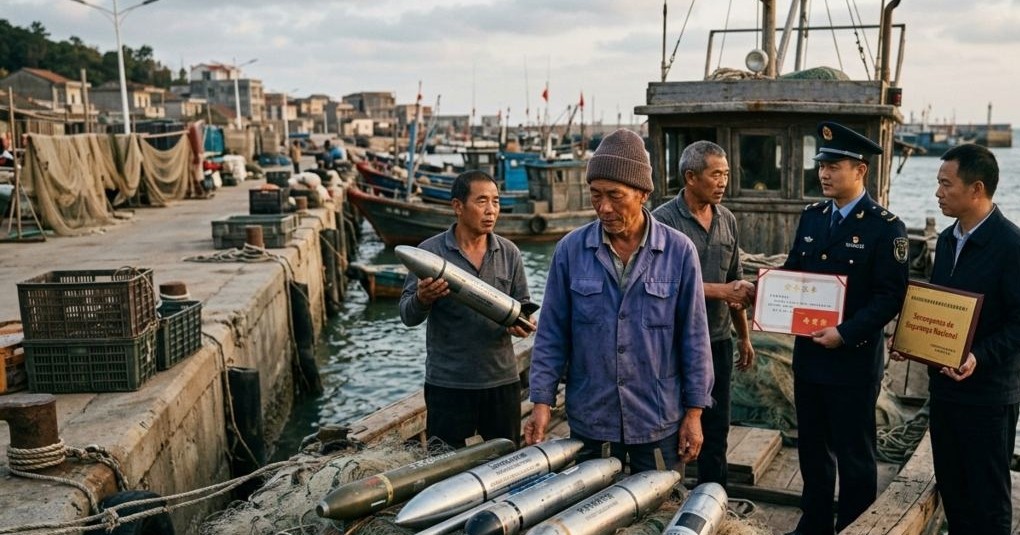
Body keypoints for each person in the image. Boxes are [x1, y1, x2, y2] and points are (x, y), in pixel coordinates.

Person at [524, 128, 714, 473]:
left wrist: (695, 414)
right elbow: (551, 334)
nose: (604, 207)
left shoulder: (679, 251)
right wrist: (541, 402)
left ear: (642, 193)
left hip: (657, 418)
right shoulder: (570, 251)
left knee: (657, 514)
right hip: (592, 418)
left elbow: (695, 340)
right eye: (596, 195)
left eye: (615, 195)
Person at [780, 122, 909, 535]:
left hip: (852, 359)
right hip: (810, 357)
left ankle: (855, 525)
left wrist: (847, 333)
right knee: (812, 448)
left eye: (834, 166)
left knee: (855, 453)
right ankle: (814, 522)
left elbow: (890, 297)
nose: (824, 174)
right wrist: (764, 293)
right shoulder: (813, 217)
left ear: (860, 170)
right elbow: (793, 274)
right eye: (822, 165)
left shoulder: (885, 227)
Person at [891, 144, 1020, 534]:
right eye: (937, 183)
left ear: (976, 189)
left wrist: (978, 357)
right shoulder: (947, 240)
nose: (937, 192)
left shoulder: (1011, 246)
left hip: (988, 397)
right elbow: (940, 309)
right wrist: (910, 340)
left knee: (989, 500)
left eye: (946, 184)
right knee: (954, 490)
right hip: (945, 391)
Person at [399, 170, 535, 448]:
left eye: (496, 202)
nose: (491, 210)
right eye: (482, 201)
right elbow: (407, 316)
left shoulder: (509, 253)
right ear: (458, 207)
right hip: (448, 385)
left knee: (505, 462)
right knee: (444, 467)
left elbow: (524, 312)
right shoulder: (430, 253)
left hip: (501, 382)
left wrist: (521, 325)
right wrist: (423, 299)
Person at [652, 140, 755, 488]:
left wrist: (743, 336)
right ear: (690, 177)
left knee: (717, 427)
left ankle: (714, 500)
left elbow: (733, 282)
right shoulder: (662, 222)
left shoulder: (727, 219)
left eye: (726, 174)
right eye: (716, 175)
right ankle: (667, 497)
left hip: (718, 341)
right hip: (672, 344)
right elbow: (660, 286)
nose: (723, 182)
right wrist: (724, 292)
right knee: (670, 424)